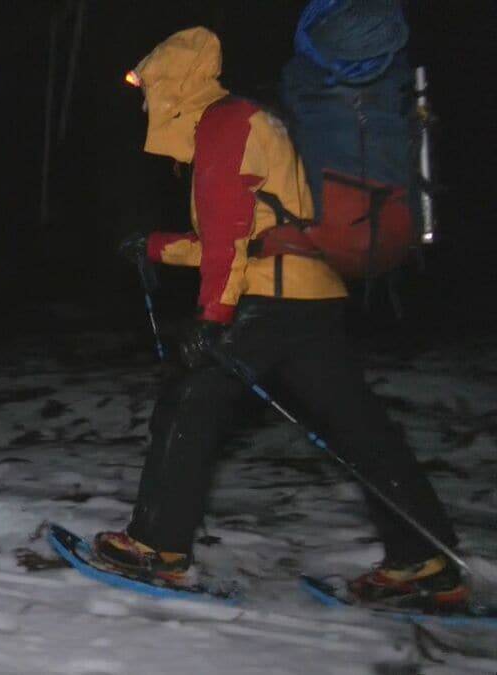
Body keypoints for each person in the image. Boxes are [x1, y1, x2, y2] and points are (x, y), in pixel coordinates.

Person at [101, 27, 464, 610]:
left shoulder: (223, 124)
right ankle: (425, 559)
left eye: (149, 86)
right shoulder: (247, 120)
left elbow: (229, 242)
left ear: (175, 84)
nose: (145, 100)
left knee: (189, 399)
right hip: (310, 294)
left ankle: (156, 546)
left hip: (272, 298)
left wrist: (211, 317)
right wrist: (155, 247)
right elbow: (245, 233)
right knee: (359, 426)